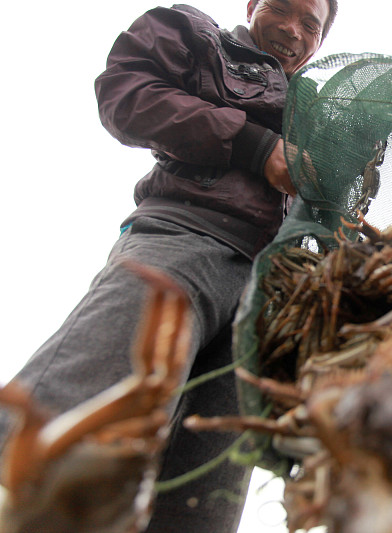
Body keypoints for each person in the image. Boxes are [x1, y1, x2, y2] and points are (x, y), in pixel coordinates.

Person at [0, 0, 337, 531]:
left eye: (310, 25)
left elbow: (349, 196)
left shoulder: (322, 106)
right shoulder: (193, 31)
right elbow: (127, 95)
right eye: (280, 8)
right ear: (253, 5)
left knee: (206, 496)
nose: (292, 30)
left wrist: (384, 119)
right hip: (184, 236)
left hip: (270, 299)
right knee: (80, 408)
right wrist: (255, 146)